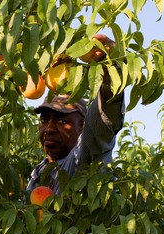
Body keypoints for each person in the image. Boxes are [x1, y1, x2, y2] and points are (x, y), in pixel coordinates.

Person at [26, 34, 125, 194]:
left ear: (82, 127)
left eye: (61, 121)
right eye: (44, 119)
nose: (49, 128)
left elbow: (101, 121)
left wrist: (110, 78)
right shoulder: (39, 172)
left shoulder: (85, 158)